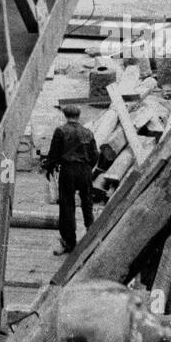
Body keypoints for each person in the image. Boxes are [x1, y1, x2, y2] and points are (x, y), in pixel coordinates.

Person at [45, 103, 98, 255]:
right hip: (85, 170)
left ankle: (69, 242)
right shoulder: (88, 132)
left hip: (68, 171)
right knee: (87, 202)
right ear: (78, 116)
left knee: (67, 205)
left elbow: (53, 154)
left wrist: (49, 168)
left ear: (65, 115)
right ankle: (91, 235)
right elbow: (95, 155)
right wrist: (88, 168)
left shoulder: (60, 131)